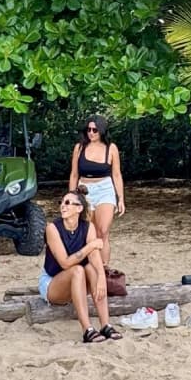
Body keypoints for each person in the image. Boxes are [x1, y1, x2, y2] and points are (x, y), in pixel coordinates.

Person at [39, 185, 123, 343]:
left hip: (78, 281)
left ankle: (106, 325)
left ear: (79, 208)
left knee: (92, 269)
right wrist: (90, 246)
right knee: (77, 269)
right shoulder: (52, 228)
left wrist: (100, 278)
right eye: (62, 202)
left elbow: (94, 257)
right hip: (53, 282)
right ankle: (87, 329)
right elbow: (64, 263)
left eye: (68, 202)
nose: (63, 206)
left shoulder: (88, 227)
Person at [68, 115, 124, 268]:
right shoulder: (79, 148)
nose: (91, 133)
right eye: (89, 130)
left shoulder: (111, 148)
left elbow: (117, 174)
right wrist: (72, 196)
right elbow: (74, 174)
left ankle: (104, 267)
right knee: (88, 232)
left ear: (102, 131)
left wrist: (120, 198)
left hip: (105, 188)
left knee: (103, 231)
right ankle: (91, 266)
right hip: (84, 189)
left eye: (95, 130)